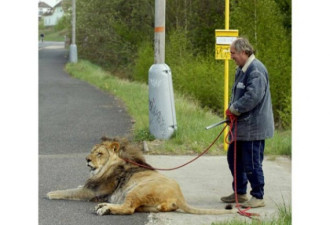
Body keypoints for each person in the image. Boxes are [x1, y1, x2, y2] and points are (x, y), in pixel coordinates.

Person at [221, 38, 274, 208]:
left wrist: (234, 108)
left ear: (244, 52)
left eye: (233, 53)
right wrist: (231, 111)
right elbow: (238, 93)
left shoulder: (256, 70)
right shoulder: (241, 69)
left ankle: (258, 196)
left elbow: (252, 97)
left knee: (251, 162)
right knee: (233, 158)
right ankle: (240, 192)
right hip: (241, 126)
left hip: (254, 127)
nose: (231, 56)